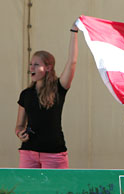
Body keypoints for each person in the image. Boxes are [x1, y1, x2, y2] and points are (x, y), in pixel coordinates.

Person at [15, 22, 78, 169]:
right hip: (28, 153)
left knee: (55, 191)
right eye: (31, 64)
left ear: (48, 68)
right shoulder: (26, 94)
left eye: (36, 65)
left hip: (54, 154)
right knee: (27, 191)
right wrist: (20, 133)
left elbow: (72, 62)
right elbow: (19, 125)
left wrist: (73, 32)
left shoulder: (59, 87)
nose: (31, 67)